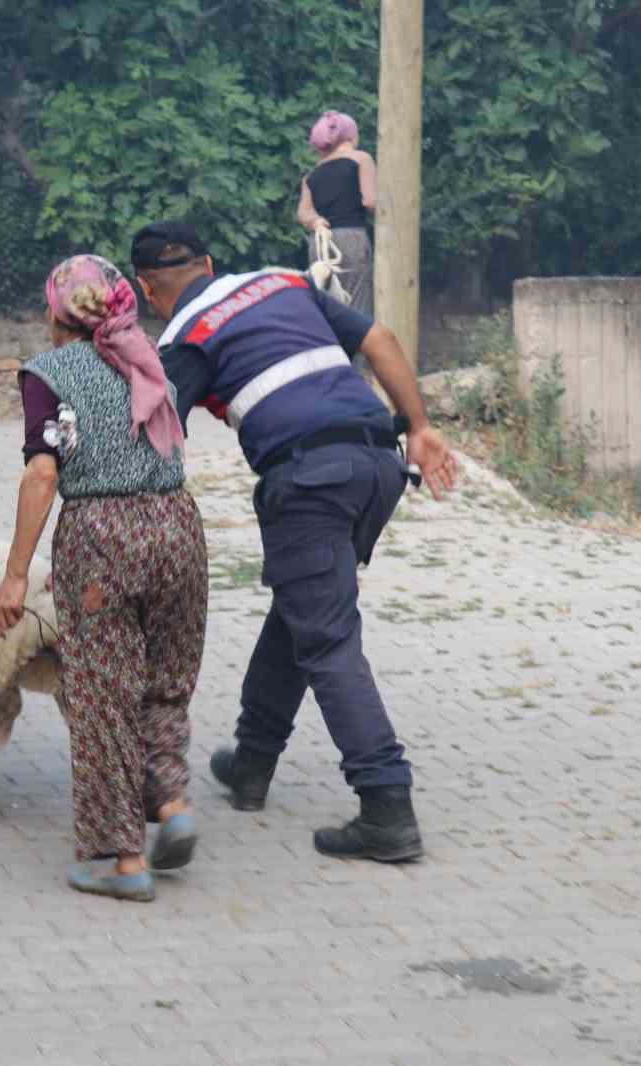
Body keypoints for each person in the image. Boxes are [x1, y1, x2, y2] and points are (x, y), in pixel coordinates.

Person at [131, 220, 460, 863]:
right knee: (301, 613)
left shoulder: (183, 339)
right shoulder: (280, 280)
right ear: (211, 259)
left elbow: (153, 433)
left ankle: (386, 805)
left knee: (328, 639)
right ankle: (253, 763)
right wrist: (420, 426)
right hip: (378, 468)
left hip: (310, 480)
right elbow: (381, 338)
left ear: (147, 291)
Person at [0, 255, 209, 903]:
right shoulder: (147, 358)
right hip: (177, 528)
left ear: (58, 313)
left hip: (102, 540)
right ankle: (172, 804)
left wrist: (14, 575)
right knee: (165, 683)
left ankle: (121, 861)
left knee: (103, 698)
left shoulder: (47, 372)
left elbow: (42, 474)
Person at [296, 110, 376, 316]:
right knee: (356, 306)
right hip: (352, 239)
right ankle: (355, 348)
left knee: (327, 306)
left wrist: (316, 222)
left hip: (320, 243)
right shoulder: (361, 159)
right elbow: (370, 201)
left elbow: (304, 213)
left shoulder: (312, 174)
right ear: (352, 136)